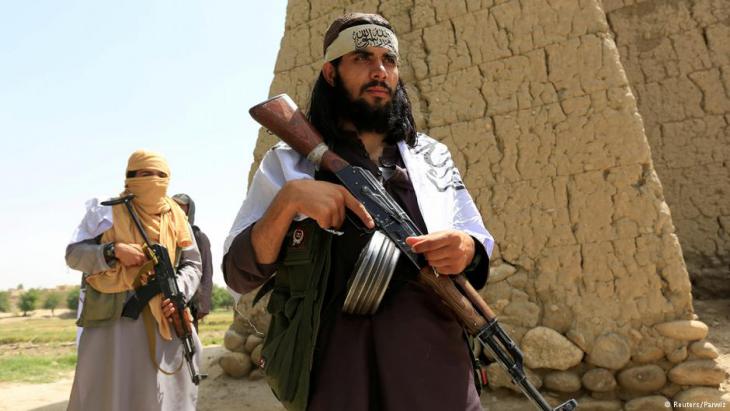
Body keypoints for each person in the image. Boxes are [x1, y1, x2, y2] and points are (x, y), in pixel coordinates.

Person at [223, 12, 494, 411]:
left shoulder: (431, 157)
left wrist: (466, 248)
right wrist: (290, 201)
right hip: (335, 378)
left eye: (389, 60)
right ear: (330, 73)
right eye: (362, 58)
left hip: (437, 376)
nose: (379, 70)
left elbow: (475, 236)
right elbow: (238, 272)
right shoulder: (288, 164)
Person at [66, 150, 202, 411]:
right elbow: (73, 255)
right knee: (109, 394)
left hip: (165, 314)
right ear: (128, 177)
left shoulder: (176, 216)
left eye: (159, 175)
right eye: (142, 174)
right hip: (112, 320)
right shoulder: (104, 212)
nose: (151, 180)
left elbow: (193, 264)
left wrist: (178, 292)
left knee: (170, 389)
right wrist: (112, 251)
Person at [172, 193, 213, 331]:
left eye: (182, 207)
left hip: (191, 299)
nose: (178, 210)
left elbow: (206, 271)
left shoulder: (199, 237)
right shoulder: (166, 235)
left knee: (189, 339)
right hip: (169, 299)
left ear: (190, 211)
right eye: (175, 206)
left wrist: (204, 304)